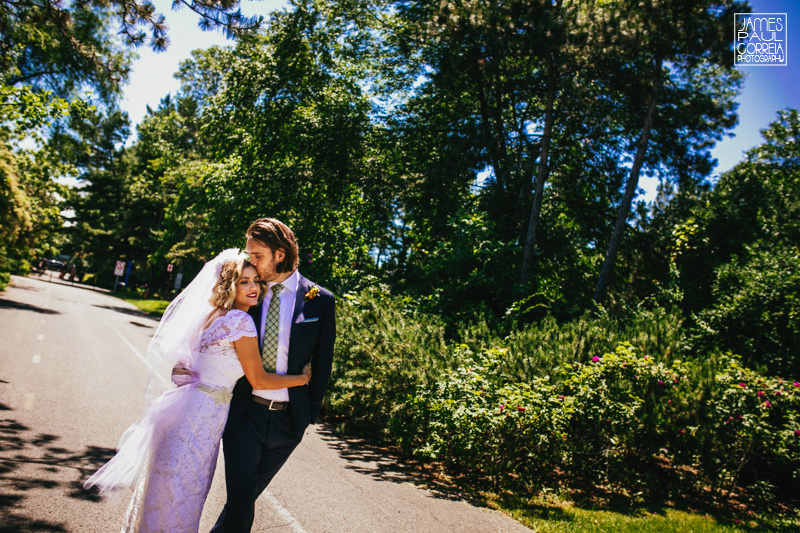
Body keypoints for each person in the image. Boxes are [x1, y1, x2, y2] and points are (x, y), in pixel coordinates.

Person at [84, 249, 311, 532]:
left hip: (184, 411)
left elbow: (181, 369)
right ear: (230, 285)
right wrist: (300, 379)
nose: (254, 288)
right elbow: (259, 380)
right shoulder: (240, 321)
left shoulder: (211, 315)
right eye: (244, 282)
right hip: (199, 423)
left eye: (256, 281)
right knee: (183, 494)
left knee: (164, 489)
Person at [211, 218, 336, 532]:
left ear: (280, 255)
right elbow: (217, 328)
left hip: (287, 422)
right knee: (241, 503)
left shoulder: (320, 300)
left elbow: (323, 363)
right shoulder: (248, 291)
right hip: (244, 414)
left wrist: (306, 417)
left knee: (243, 500)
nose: (249, 261)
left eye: (257, 255)